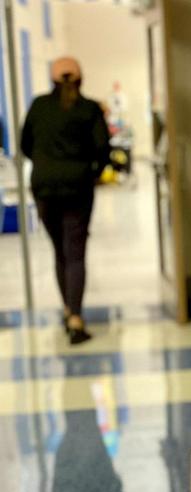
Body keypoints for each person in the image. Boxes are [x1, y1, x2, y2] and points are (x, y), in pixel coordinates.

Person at [20, 56, 110, 345]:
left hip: (44, 187)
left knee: (59, 250)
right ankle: (75, 317)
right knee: (75, 251)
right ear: (80, 79)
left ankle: (68, 308)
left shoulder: (39, 106)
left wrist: (47, 165)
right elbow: (103, 149)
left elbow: (25, 145)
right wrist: (89, 172)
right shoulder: (89, 109)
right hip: (77, 187)